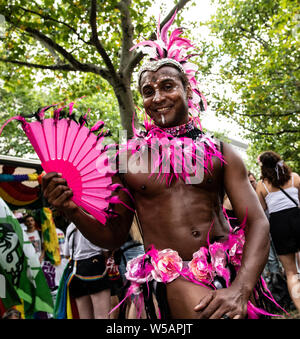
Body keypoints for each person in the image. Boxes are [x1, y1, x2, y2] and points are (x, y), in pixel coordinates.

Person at [41, 15, 279, 319]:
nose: (158, 97)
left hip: (227, 271)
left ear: (188, 92)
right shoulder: (127, 159)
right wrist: (72, 210)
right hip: (172, 278)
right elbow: (114, 236)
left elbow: (257, 222)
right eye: (148, 91)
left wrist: (241, 288)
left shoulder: (221, 152)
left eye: (167, 86)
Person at [256, 151, 300, 312]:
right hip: (297, 218)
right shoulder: (294, 177)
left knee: (291, 272)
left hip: (279, 225)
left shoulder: (262, 186)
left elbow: (261, 210)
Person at [63, 223, 121, 319]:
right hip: (95, 271)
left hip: (75, 272)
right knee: (101, 316)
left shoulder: (71, 226)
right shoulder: (95, 223)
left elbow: (66, 254)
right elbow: (106, 251)